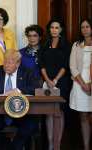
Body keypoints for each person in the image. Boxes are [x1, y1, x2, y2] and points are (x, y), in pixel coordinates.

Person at [0, 50, 40, 150]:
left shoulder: (27, 72)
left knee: (29, 127)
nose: (6, 65)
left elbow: (37, 88)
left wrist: (18, 90)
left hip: (22, 113)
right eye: (5, 62)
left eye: (10, 63)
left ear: (18, 63)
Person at [38, 19, 71, 150]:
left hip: (61, 82)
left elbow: (65, 65)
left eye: (57, 27)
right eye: (52, 27)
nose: (54, 30)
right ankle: (51, 144)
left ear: (61, 29)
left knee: (59, 112)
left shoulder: (66, 45)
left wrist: (55, 80)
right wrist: (47, 80)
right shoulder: (45, 44)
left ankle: (57, 144)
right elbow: (41, 64)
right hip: (47, 83)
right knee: (48, 112)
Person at [70, 19, 92, 150]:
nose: (85, 29)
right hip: (79, 83)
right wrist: (83, 84)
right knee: (83, 116)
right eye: (82, 27)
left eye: (87, 26)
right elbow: (72, 66)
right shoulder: (77, 45)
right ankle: (86, 146)